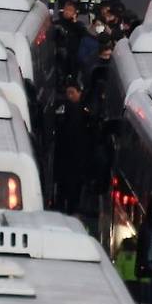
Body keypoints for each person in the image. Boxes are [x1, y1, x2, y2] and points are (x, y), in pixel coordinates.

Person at [54, 81, 90, 215]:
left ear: (79, 93)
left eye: (72, 92)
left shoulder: (84, 112)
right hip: (65, 158)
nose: (69, 96)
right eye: (67, 93)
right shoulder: (63, 109)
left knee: (74, 188)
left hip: (77, 159)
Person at [53, 0, 86, 87]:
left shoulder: (78, 25)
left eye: (70, 11)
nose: (67, 12)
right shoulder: (57, 23)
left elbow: (84, 34)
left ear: (75, 13)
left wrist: (75, 22)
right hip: (59, 56)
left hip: (73, 56)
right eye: (66, 9)